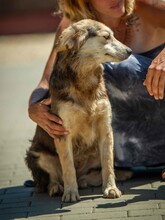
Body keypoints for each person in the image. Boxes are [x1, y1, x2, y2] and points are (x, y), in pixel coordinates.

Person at [28, 0, 165, 179]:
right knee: (87, 67)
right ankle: (109, 166)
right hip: (130, 147)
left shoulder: (145, 4)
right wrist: (33, 108)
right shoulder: (76, 27)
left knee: (118, 67)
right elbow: (47, 81)